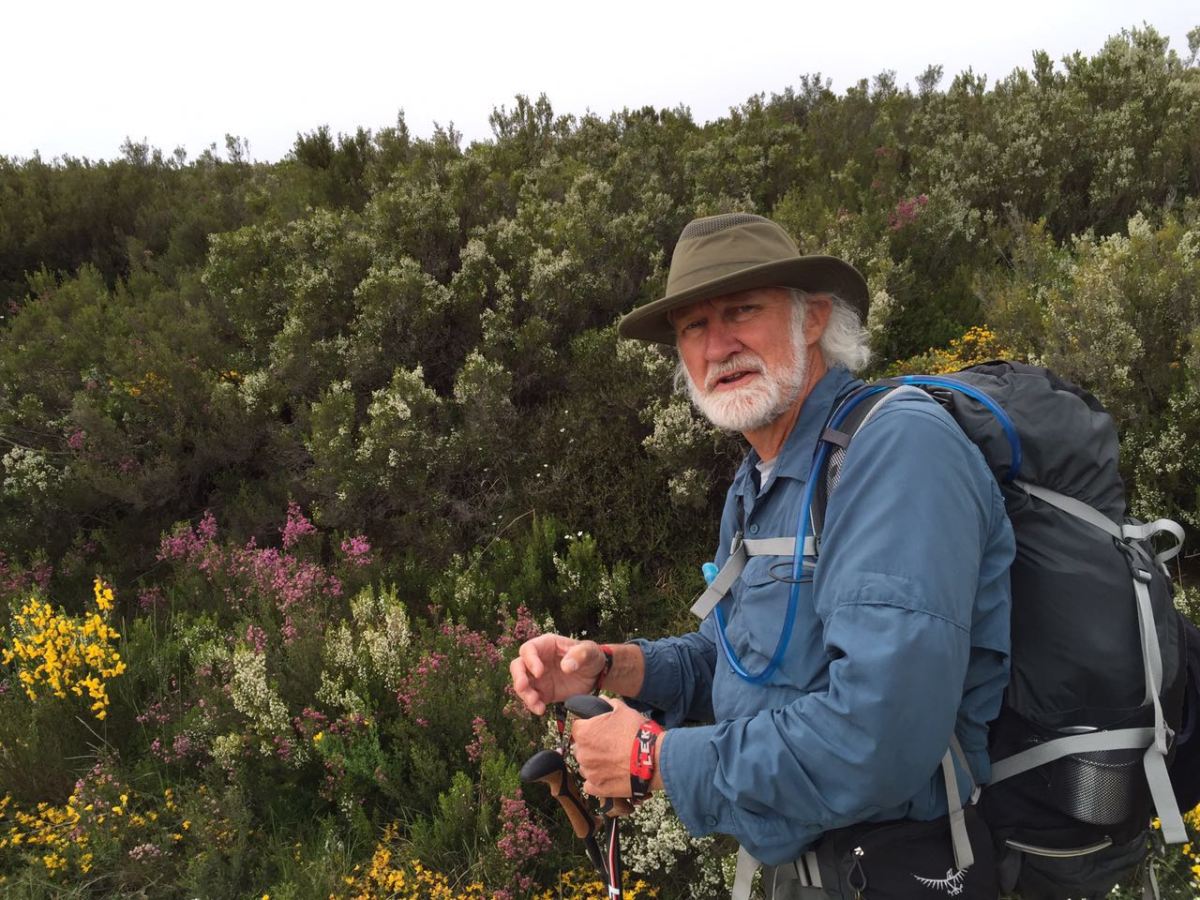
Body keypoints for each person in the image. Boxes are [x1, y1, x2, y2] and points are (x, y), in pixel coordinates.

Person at [509, 213, 1014, 897]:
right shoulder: (757, 483)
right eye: (693, 326)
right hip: (802, 876)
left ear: (813, 319)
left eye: (741, 311)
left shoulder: (898, 450)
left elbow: (881, 735)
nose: (717, 345)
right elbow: (740, 662)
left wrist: (656, 757)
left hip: (907, 871)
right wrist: (608, 666)